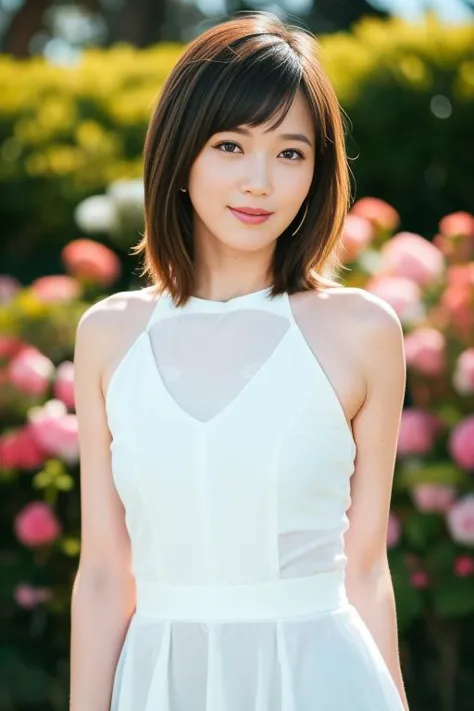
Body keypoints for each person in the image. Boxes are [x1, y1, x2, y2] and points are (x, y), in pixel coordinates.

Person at [69, 11, 409, 711]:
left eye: (290, 153)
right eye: (230, 144)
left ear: (317, 173)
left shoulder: (361, 331)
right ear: (181, 154)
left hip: (323, 679)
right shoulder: (110, 336)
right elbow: (105, 574)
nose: (260, 181)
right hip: (160, 683)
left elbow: (367, 567)